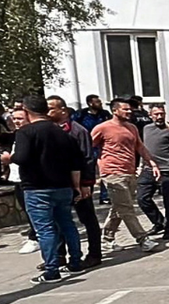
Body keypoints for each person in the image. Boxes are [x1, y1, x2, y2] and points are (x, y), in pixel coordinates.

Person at [5, 96, 86, 283]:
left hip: (37, 187)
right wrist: (76, 186)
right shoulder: (62, 132)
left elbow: (22, 157)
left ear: (27, 111)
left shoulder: (26, 132)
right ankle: (75, 262)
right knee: (67, 224)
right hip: (62, 186)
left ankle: (52, 270)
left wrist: (9, 158)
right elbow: (76, 162)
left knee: (45, 229)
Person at [92, 98, 164, 253]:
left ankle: (106, 239)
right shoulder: (103, 128)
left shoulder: (131, 127)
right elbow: (87, 146)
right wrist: (96, 167)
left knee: (119, 207)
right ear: (114, 111)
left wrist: (152, 163)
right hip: (112, 174)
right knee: (126, 208)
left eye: (130, 109)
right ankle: (142, 239)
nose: (129, 111)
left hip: (129, 172)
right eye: (125, 109)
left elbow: (140, 147)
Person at [47, 95, 103, 267]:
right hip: (59, 183)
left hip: (79, 183)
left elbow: (88, 158)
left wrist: (86, 184)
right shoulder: (49, 130)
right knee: (57, 219)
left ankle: (94, 253)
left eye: (51, 108)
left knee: (87, 217)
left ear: (62, 110)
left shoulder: (78, 131)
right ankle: (60, 255)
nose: (47, 112)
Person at [137, 105, 169, 241]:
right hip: (149, 170)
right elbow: (143, 148)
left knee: (168, 201)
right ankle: (159, 222)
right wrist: (140, 166)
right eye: (156, 114)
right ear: (150, 115)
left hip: (166, 170)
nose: (159, 117)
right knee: (142, 199)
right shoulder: (146, 129)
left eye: (162, 114)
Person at [4, 106, 42, 255]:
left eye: (20, 118)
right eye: (14, 118)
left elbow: (23, 157)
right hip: (17, 178)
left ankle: (35, 238)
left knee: (34, 211)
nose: (16, 121)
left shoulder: (31, 134)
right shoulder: (17, 134)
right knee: (27, 210)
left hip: (30, 180)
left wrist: (9, 158)